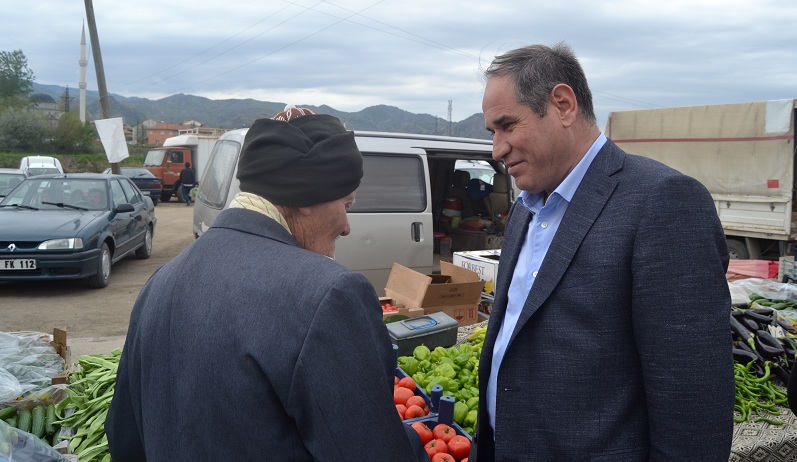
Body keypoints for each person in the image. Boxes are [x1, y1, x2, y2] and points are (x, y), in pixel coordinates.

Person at [105, 108, 428, 461]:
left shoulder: (161, 282)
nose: (347, 226)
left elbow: (124, 438)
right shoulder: (329, 295)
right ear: (307, 196)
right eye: (346, 203)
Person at [471, 43, 734, 461]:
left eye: (507, 126)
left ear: (563, 105)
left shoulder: (662, 201)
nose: (496, 149)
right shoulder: (525, 209)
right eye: (492, 132)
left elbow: (693, 401)